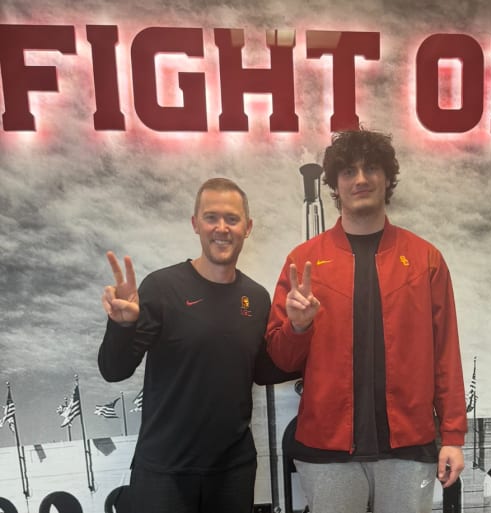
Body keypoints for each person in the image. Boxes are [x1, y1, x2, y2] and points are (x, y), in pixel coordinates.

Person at [266, 129, 468, 513]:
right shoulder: (303, 260)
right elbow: (281, 359)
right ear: (335, 186)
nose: (360, 179)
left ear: (387, 178)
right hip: (326, 449)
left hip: (410, 447)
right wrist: (298, 327)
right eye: (348, 171)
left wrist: (453, 434)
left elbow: (446, 353)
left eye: (371, 168)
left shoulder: (425, 259)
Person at [98, 177, 295, 513]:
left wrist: (301, 332)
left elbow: (263, 370)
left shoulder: (257, 299)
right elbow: (114, 370)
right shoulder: (162, 287)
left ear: (247, 227)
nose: (222, 228)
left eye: (232, 219)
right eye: (211, 217)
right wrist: (122, 326)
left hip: (232, 471)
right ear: (195, 224)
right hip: (164, 471)